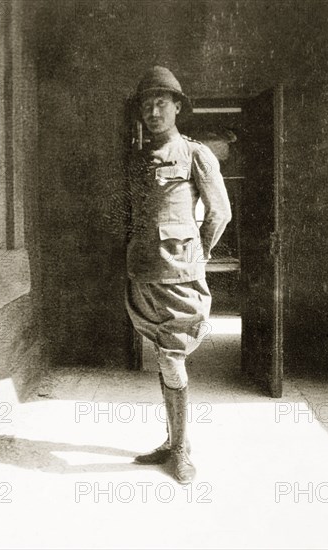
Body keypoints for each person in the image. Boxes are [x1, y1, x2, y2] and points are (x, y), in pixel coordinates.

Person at [125, 66, 232, 484]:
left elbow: (220, 212)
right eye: (147, 104)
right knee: (162, 354)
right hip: (143, 272)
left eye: (162, 104)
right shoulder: (136, 159)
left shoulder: (196, 154)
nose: (154, 111)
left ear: (177, 108)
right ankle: (173, 441)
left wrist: (198, 253)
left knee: (172, 359)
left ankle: (182, 451)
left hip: (179, 275)